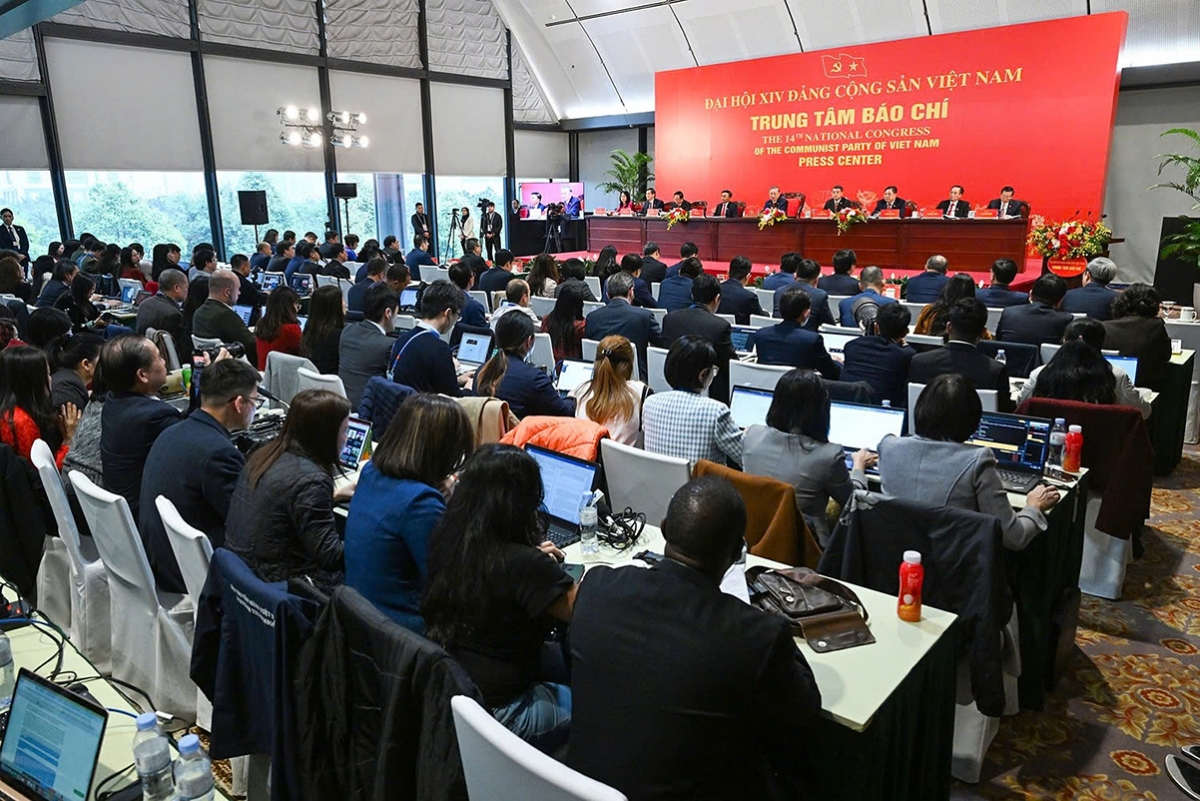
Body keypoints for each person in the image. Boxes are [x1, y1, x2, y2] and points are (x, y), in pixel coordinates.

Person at [567, 475, 821, 799]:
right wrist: (777, 630)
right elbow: (804, 710)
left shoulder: (596, 587)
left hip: (582, 788)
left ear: (664, 529)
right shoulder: (757, 636)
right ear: (736, 553)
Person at [422, 444, 577, 751]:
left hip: (459, 690)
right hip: (503, 712)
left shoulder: (449, 538)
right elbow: (582, 612)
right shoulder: (523, 564)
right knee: (596, 701)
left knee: (563, 663)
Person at [878, 374, 1058, 550]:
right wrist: (1034, 506)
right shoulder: (978, 460)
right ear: (972, 420)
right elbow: (1014, 538)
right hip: (951, 569)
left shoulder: (887, 446)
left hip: (893, 564)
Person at [345, 393, 473, 633]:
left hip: (361, 619)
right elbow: (452, 585)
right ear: (444, 450)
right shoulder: (421, 503)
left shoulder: (371, 472)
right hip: (405, 636)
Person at [139, 359, 260, 594]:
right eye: (255, 401)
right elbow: (246, 524)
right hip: (191, 574)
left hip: (161, 560)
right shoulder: (219, 453)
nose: (255, 408)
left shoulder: (173, 431)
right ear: (238, 403)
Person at [225, 389, 351, 588]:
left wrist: (331, 497)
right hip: (282, 586)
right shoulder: (311, 480)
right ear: (326, 435)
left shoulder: (263, 454)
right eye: (344, 431)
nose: (346, 439)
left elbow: (283, 506)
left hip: (246, 574)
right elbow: (331, 557)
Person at [744, 369, 873, 544]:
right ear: (821, 408)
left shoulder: (751, 434)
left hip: (754, 535)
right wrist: (859, 466)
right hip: (805, 546)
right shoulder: (829, 455)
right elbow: (853, 501)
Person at [99, 335, 182, 520]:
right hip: (148, 518)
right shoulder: (154, 417)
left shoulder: (113, 400)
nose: (164, 361)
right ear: (142, 375)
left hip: (124, 513)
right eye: (159, 357)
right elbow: (193, 443)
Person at [1018, 319, 1151, 417]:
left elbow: (1021, 405)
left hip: (1052, 443)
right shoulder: (1116, 376)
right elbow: (1143, 412)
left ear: (1064, 342)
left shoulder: (1040, 374)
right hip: (1102, 447)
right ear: (1101, 344)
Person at [642, 336, 742, 466]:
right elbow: (745, 457)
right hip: (702, 486)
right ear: (702, 375)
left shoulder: (649, 403)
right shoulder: (715, 411)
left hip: (659, 484)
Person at [909, 298, 1014, 411]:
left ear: (948, 328)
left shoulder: (919, 362)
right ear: (983, 333)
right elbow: (1004, 413)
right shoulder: (995, 370)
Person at [474, 312, 574, 418]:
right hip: (519, 434)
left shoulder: (481, 372)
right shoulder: (534, 379)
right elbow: (565, 413)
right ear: (529, 341)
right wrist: (572, 397)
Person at [661, 274, 737, 404]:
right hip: (706, 392)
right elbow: (732, 364)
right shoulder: (720, 326)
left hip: (669, 386)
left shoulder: (669, 319)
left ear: (692, 296)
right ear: (717, 299)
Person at [0, 345, 79, 467]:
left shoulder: (11, 411)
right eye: (47, 374)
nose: (51, 379)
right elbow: (42, 476)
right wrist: (68, 440)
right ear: (31, 382)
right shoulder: (21, 422)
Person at [389, 280, 471, 395]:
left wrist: (456, 380)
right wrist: (468, 388)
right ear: (447, 313)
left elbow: (421, 382)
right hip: (424, 410)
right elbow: (452, 399)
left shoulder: (403, 339)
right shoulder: (439, 349)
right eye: (457, 315)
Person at [570, 335, 649, 445]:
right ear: (629, 366)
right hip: (624, 462)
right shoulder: (641, 393)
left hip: (587, 459)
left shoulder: (579, 392)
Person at [748, 286, 840, 378]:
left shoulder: (761, 335)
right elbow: (832, 372)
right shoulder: (811, 340)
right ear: (806, 313)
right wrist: (837, 362)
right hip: (800, 389)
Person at [585, 272, 663, 380]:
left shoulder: (592, 317)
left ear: (607, 294)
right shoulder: (644, 316)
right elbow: (661, 343)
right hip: (634, 378)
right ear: (631, 292)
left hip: (601, 377)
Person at [839, 304, 916, 407]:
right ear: (905, 332)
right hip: (885, 410)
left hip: (845, 406)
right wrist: (905, 346)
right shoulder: (907, 355)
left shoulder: (851, 346)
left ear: (876, 326)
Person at [1104, 282, 1172, 391]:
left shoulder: (1105, 326)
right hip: (1145, 387)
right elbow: (1166, 355)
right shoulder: (1156, 325)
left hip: (1107, 384)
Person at [338, 284, 398, 406]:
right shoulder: (388, 345)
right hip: (368, 411)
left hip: (342, 405)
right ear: (388, 313)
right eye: (397, 311)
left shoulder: (347, 331)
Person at [193, 269, 258, 364]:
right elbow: (251, 344)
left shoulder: (198, 313)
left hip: (214, 368)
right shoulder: (226, 315)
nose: (239, 293)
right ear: (227, 292)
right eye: (238, 289)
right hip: (239, 369)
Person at [996, 273, 1073, 346]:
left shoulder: (1009, 313)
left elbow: (998, 341)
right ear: (1060, 301)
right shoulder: (1065, 319)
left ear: (1030, 294)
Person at [913, 273, 988, 337]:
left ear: (947, 288)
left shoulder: (929, 311)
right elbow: (986, 339)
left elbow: (917, 336)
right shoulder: (975, 315)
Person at [48, 331, 102, 412]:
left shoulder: (68, 382)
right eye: (102, 358)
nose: (108, 361)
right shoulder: (67, 394)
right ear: (86, 364)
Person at [136, 269, 188, 349]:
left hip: (142, 354)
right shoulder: (173, 314)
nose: (187, 291)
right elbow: (177, 350)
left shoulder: (144, 304)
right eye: (186, 287)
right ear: (176, 288)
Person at [255, 286, 303, 370]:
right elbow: (304, 353)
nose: (297, 310)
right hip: (284, 378)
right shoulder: (291, 330)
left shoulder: (261, 325)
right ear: (289, 307)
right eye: (297, 306)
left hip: (265, 376)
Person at [301, 285, 345, 376]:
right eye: (342, 300)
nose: (345, 303)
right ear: (335, 306)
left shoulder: (308, 330)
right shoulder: (339, 336)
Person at [541, 282, 587, 363]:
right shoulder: (580, 327)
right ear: (579, 306)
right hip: (572, 367)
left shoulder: (546, 320)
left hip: (552, 367)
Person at [784, 257, 834, 330]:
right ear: (816, 280)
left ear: (795, 276)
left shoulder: (779, 291)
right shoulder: (819, 295)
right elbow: (829, 325)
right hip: (807, 338)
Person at [717, 256, 765, 324]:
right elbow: (761, 318)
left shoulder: (715, 290)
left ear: (728, 273)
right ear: (748, 276)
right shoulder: (749, 297)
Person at [446, 261, 487, 328]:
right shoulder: (474, 307)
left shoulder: (443, 299)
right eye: (473, 274)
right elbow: (483, 333)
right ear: (470, 279)